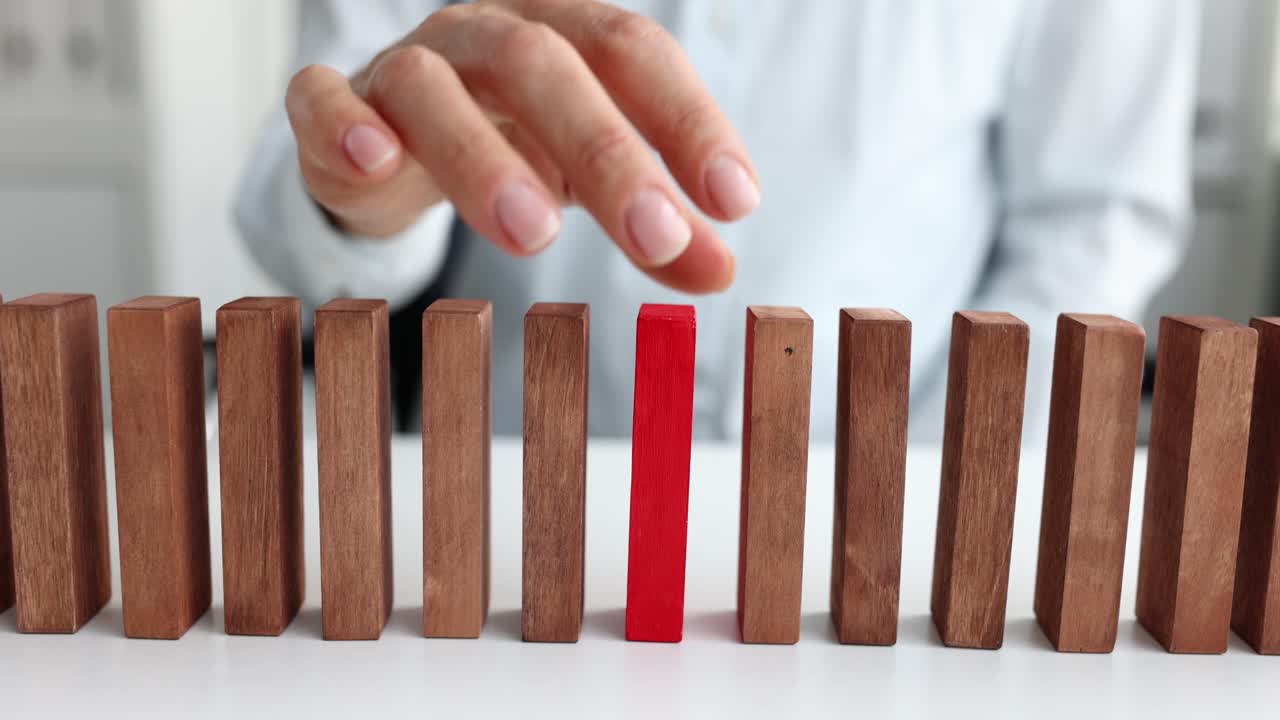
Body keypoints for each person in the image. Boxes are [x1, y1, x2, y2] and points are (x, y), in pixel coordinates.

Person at [236, 0, 1197, 442]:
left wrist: (929, 491)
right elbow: (298, 190)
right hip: (507, 523)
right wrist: (362, 194)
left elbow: (1093, 224)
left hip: (897, 520)